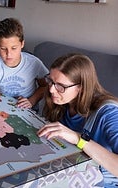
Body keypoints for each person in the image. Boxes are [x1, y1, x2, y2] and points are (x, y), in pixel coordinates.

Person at [37, 53, 118, 187]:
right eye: (51, 81)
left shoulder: (109, 114)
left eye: (60, 86)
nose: (51, 89)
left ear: (81, 87)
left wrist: (79, 139)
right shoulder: (62, 102)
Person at [0, 18, 49, 139]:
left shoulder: (34, 63)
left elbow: (45, 85)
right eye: (3, 49)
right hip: (3, 109)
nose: (9, 54)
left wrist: (32, 100)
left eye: (14, 48)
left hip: (29, 112)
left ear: (22, 44)